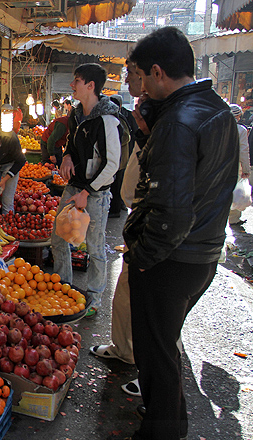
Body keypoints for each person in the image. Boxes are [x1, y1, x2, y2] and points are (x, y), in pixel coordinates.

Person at [124, 27, 239, 440]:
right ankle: (167, 418)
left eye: (140, 75)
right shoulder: (218, 110)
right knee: (165, 349)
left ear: (158, 71)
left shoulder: (178, 121)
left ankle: (163, 432)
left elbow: (170, 210)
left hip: (171, 259)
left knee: (157, 357)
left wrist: (141, 256)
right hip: (204, 254)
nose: (138, 85)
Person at [89, 59, 162, 397]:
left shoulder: (169, 131)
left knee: (156, 315)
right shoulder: (145, 132)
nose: (136, 112)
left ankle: (152, 379)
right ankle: (123, 351)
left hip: (157, 238)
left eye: (134, 75)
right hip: (140, 229)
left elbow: (116, 166)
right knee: (125, 301)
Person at [51, 63, 122, 318]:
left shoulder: (107, 120)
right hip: (74, 187)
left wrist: (89, 191)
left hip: (96, 193)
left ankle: (94, 298)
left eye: (77, 81)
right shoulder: (76, 115)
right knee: (58, 238)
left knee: (94, 246)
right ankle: (62, 285)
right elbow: (70, 142)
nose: (72, 85)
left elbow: (112, 164)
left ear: (90, 86)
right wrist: (67, 156)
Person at [107, 95, 133, 218]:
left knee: (117, 184)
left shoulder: (119, 118)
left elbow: (126, 137)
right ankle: (116, 207)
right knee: (116, 182)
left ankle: (115, 210)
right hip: (117, 157)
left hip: (120, 157)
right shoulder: (116, 116)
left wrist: (112, 141)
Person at [228, 104, 251, 224]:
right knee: (236, 191)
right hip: (234, 165)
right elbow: (243, 150)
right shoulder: (241, 130)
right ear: (238, 116)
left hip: (218, 164)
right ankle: (233, 219)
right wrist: (246, 169)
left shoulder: (219, 127)